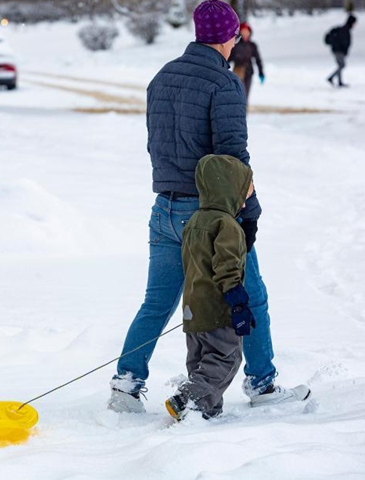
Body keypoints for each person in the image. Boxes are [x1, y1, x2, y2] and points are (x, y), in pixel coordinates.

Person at [108, 0, 309, 415]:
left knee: (157, 302)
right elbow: (233, 158)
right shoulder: (224, 82)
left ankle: (126, 386)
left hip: (163, 210)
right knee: (250, 297)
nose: (237, 40)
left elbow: (155, 143)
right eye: (235, 34)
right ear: (226, 36)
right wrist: (248, 213)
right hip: (210, 217)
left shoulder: (161, 77)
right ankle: (263, 383)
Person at [165, 154, 256, 420]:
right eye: (243, 192)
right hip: (218, 308)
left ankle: (205, 411)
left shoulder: (194, 221)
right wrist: (237, 302)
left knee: (200, 362)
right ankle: (188, 399)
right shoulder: (226, 225)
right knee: (226, 358)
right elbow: (227, 266)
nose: (245, 200)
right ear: (227, 189)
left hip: (193, 307)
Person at [228, 22, 264, 103]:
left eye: (247, 31)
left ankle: (244, 114)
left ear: (250, 32)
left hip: (249, 72)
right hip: (238, 72)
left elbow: (258, 60)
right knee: (241, 94)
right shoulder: (235, 45)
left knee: (246, 96)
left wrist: (261, 73)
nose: (245, 33)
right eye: (243, 31)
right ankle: (238, 111)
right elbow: (229, 59)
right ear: (240, 32)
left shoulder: (252, 45)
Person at [325, 15, 357, 88]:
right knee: (342, 65)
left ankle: (339, 82)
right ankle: (331, 78)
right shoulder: (345, 30)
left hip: (337, 50)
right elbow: (344, 42)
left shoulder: (344, 29)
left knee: (340, 65)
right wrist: (343, 49)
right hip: (338, 50)